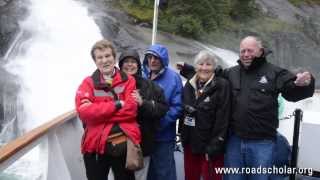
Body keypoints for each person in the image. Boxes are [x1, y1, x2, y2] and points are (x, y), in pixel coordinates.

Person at [177, 36, 315, 180]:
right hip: (234, 141)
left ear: (261, 51)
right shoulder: (231, 73)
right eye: (243, 51)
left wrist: (304, 84)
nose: (246, 54)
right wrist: (188, 69)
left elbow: (292, 91)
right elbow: (207, 76)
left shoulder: (275, 72)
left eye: (250, 50)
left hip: (262, 143)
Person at [75, 40, 141, 180]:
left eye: (107, 56)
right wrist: (116, 105)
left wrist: (98, 113)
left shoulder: (128, 81)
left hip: (123, 145)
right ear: (95, 61)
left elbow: (131, 110)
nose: (104, 60)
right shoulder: (87, 83)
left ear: (114, 57)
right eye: (100, 57)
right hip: (95, 145)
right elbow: (84, 113)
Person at [180, 50, 231, 180]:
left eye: (208, 64)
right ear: (196, 66)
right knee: (190, 177)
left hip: (210, 146)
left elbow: (223, 118)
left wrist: (214, 146)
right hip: (190, 143)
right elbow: (184, 109)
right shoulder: (190, 84)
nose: (204, 68)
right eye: (201, 64)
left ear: (214, 67)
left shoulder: (222, 85)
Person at [118, 49, 169, 180]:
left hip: (142, 143)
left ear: (139, 65)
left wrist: (143, 103)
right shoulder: (112, 85)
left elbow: (162, 109)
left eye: (133, 62)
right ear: (120, 65)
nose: (130, 65)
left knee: (139, 176)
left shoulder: (151, 86)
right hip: (117, 143)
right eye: (126, 62)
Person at [142, 44, 183, 180]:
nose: (152, 61)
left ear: (163, 60)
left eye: (156, 58)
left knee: (165, 172)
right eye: (149, 57)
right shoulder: (142, 75)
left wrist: (159, 124)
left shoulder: (173, 78)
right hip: (145, 136)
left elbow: (177, 107)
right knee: (148, 172)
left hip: (163, 136)